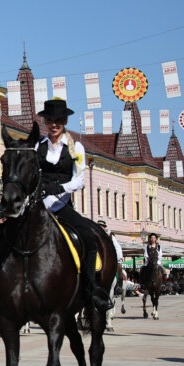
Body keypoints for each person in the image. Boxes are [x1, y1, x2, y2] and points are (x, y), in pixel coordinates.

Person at [34, 98, 112, 311]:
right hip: (39, 203)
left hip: (61, 203)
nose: (54, 124)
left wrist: (60, 189)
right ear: (44, 121)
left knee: (87, 235)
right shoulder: (37, 145)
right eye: (50, 120)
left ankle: (92, 288)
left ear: (65, 121)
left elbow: (80, 180)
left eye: (58, 120)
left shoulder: (75, 146)